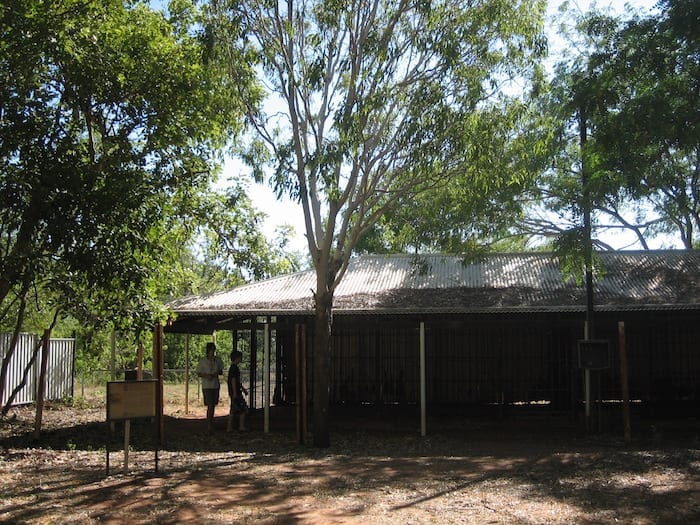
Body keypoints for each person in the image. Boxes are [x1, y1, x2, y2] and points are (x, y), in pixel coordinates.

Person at [196, 342, 223, 433]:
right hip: (207, 386)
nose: (212, 352)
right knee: (210, 405)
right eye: (211, 350)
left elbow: (221, 371)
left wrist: (216, 373)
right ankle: (209, 424)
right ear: (208, 351)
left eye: (213, 350)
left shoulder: (218, 360)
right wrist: (206, 376)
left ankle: (211, 422)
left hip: (215, 385)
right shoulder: (203, 361)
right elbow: (198, 373)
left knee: (213, 405)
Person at [227, 350, 249, 432]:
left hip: (234, 392)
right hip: (235, 393)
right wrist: (235, 392)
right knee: (243, 409)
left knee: (233, 410)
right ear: (237, 358)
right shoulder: (234, 368)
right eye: (240, 357)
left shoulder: (233, 367)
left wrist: (243, 389)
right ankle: (241, 426)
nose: (241, 359)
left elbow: (237, 382)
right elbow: (233, 380)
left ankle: (230, 427)